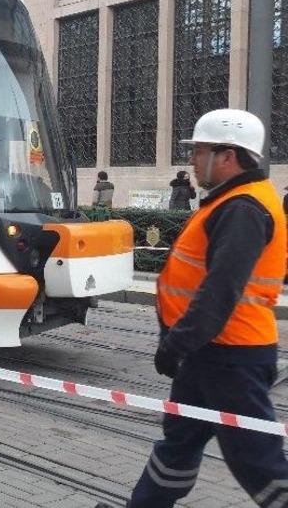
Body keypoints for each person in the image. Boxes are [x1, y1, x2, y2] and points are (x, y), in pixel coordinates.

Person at [121, 109, 288, 508]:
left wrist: (175, 344)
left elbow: (221, 291)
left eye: (198, 151)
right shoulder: (230, 201)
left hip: (232, 356)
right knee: (179, 442)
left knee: (257, 460)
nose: (192, 161)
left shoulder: (244, 209)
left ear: (227, 156)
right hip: (209, 354)